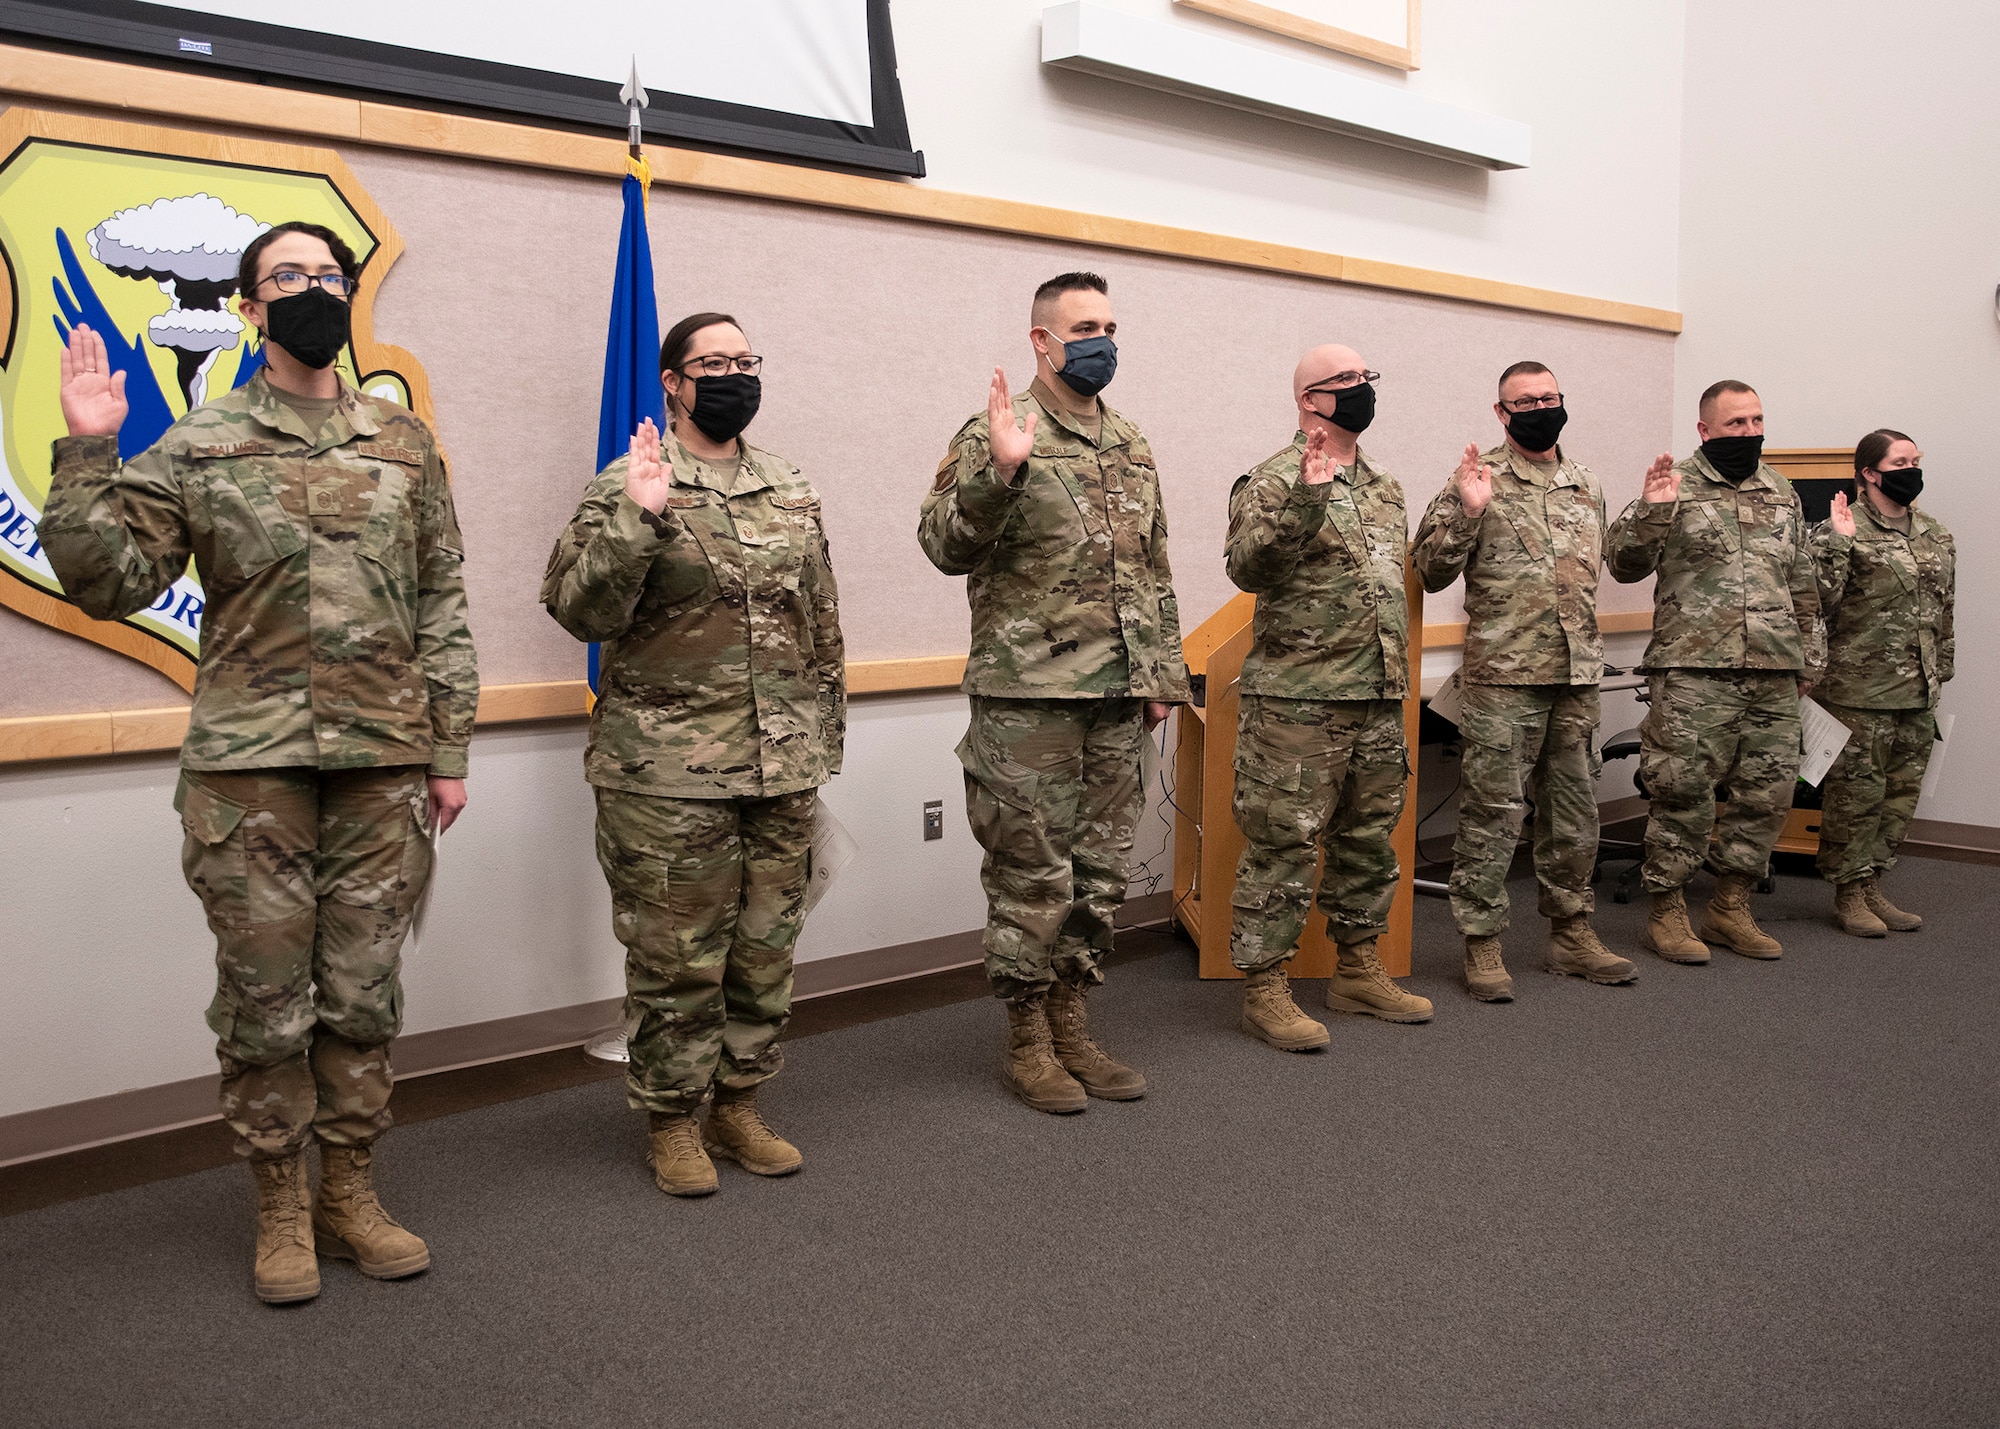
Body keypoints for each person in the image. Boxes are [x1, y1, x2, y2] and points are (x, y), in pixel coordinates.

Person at [42, 221, 477, 1305]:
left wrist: (449, 747)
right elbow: (109, 582)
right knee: (266, 1000)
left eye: (330, 275)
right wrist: (88, 448)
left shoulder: (402, 441)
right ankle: (280, 1200)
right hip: (252, 772)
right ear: (250, 309)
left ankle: (351, 1191)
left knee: (362, 996)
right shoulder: (202, 442)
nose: (315, 291)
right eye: (290, 277)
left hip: (382, 765)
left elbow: (441, 602)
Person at [543, 312, 845, 1195]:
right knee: (677, 957)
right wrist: (637, 519)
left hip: (781, 763)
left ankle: (739, 1103)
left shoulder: (787, 484)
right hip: (665, 771)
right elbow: (577, 611)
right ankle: (672, 1118)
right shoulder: (629, 482)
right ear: (673, 381)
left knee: (764, 949)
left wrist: (824, 739)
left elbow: (820, 619)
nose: (734, 375)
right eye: (713, 362)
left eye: (747, 360)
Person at [918, 271, 1188, 1113]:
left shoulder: (1132, 442)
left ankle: (1074, 1019)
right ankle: (1028, 1037)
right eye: (1083, 326)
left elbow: (1154, 567)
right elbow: (941, 545)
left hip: (1117, 696)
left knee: (1100, 874)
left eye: (1109, 324)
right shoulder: (998, 432)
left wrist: (1161, 672)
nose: (1101, 339)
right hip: (1027, 698)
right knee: (1032, 876)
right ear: (1041, 340)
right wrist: (997, 474)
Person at [1223, 344, 1430, 1050]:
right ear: (1308, 399)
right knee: (1282, 844)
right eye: (1344, 380)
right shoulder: (1274, 477)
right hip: (1299, 702)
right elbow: (1248, 568)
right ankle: (1265, 987)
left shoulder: (1385, 486)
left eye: (1366, 376)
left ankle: (1357, 968)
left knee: (1369, 843)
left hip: (1376, 694)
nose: (1361, 388)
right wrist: (1307, 500)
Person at [1413, 362, 1637, 1000]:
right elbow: (1429, 571)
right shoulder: (1475, 478)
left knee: (1575, 814)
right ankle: (1482, 944)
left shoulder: (1584, 482)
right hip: (1504, 678)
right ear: (1500, 412)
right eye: (1525, 400)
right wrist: (1465, 509)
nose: (1539, 407)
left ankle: (1572, 933)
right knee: (1492, 815)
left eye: (1549, 397)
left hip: (1575, 674)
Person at [1605, 379, 1823, 964]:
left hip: (1774, 668)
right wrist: (1652, 510)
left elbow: (1800, 579)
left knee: (1769, 794)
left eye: (1756, 421)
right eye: (1736, 424)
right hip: (1693, 671)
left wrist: (1811, 656)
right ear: (1705, 430)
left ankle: (1730, 906)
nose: (1749, 433)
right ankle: (1668, 910)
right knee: (1683, 793)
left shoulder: (1781, 490)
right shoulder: (1674, 484)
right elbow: (1623, 564)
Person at [1809, 430, 1954, 936]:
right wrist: (1837, 545)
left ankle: (1872, 883)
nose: (1912, 469)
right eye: (1900, 461)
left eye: (1917, 459)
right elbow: (1816, 604)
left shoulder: (1934, 533)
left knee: (1899, 794)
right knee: (1856, 794)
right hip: (1858, 690)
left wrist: (1944, 669)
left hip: (1919, 689)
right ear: (1870, 472)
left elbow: (1944, 612)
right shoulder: (1840, 528)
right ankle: (1848, 891)